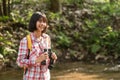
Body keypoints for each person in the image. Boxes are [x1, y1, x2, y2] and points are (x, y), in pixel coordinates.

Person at [16, 11, 57, 80]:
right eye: (40, 21)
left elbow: (48, 64)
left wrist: (53, 59)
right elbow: (20, 62)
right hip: (31, 77)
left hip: (45, 77)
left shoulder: (46, 38)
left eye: (44, 22)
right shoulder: (25, 40)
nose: (42, 24)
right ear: (34, 22)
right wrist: (36, 60)